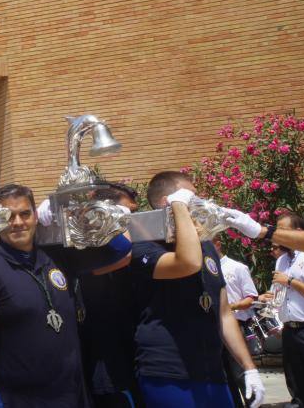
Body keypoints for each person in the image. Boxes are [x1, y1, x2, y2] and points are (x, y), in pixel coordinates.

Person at [0, 183, 132, 407]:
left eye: (25, 214)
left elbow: (119, 248)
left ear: (36, 216)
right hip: (21, 398)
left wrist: (78, 212)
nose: (18, 222)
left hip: (72, 393)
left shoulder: (58, 256)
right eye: (8, 216)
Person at [131, 171, 264, 408]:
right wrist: (180, 206)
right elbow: (187, 263)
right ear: (168, 202)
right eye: (191, 198)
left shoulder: (207, 248)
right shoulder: (143, 244)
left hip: (212, 371)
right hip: (168, 371)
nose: (199, 203)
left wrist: (249, 367)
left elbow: (223, 313)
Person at [77, 182, 141, 408]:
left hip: (130, 343)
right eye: (126, 212)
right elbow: (124, 254)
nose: (132, 218)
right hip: (104, 352)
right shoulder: (89, 242)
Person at [213, 236, 259, 407]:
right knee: (225, 376)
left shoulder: (237, 267)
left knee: (241, 374)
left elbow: (251, 298)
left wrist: (227, 307)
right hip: (214, 329)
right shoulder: (203, 269)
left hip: (236, 326)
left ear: (218, 244)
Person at [270, 214, 304, 406]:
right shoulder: (282, 260)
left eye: (283, 229)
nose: (278, 234)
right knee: (294, 377)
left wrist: (290, 281)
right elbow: (279, 292)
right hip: (289, 329)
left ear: (299, 233)